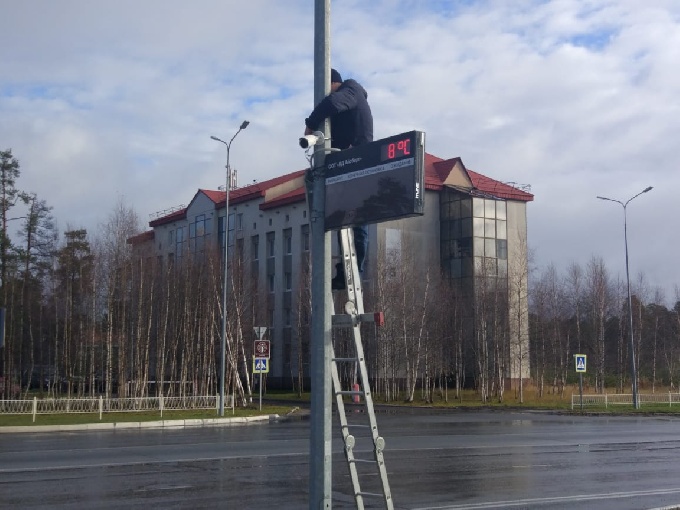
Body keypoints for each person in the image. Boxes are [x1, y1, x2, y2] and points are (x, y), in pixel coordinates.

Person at [304, 69, 373, 290]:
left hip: (358, 163)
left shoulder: (350, 90)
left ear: (333, 83)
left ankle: (353, 272)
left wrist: (311, 123)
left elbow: (332, 103)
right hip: (349, 164)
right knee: (344, 219)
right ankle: (346, 272)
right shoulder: (353, 97)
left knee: (358, 222)